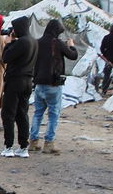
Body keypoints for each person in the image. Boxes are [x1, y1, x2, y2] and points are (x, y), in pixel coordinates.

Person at [28, 18, 77, 153]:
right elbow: (73, 55)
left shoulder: (37, 42)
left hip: (38, 84)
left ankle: (33, 142)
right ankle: (48, 143)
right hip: (53, 84)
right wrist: (71, 45)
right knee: (53, 114)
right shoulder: (58, 43)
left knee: (38, 113)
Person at [0, 16, 37, 157]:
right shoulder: (33, 41)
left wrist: (8, 43)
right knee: (22, 114)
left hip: (15, 81)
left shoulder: (22, 42)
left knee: (8, 114)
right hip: (28, 81)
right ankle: (23, 147)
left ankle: (8, 146)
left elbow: (5, 58)